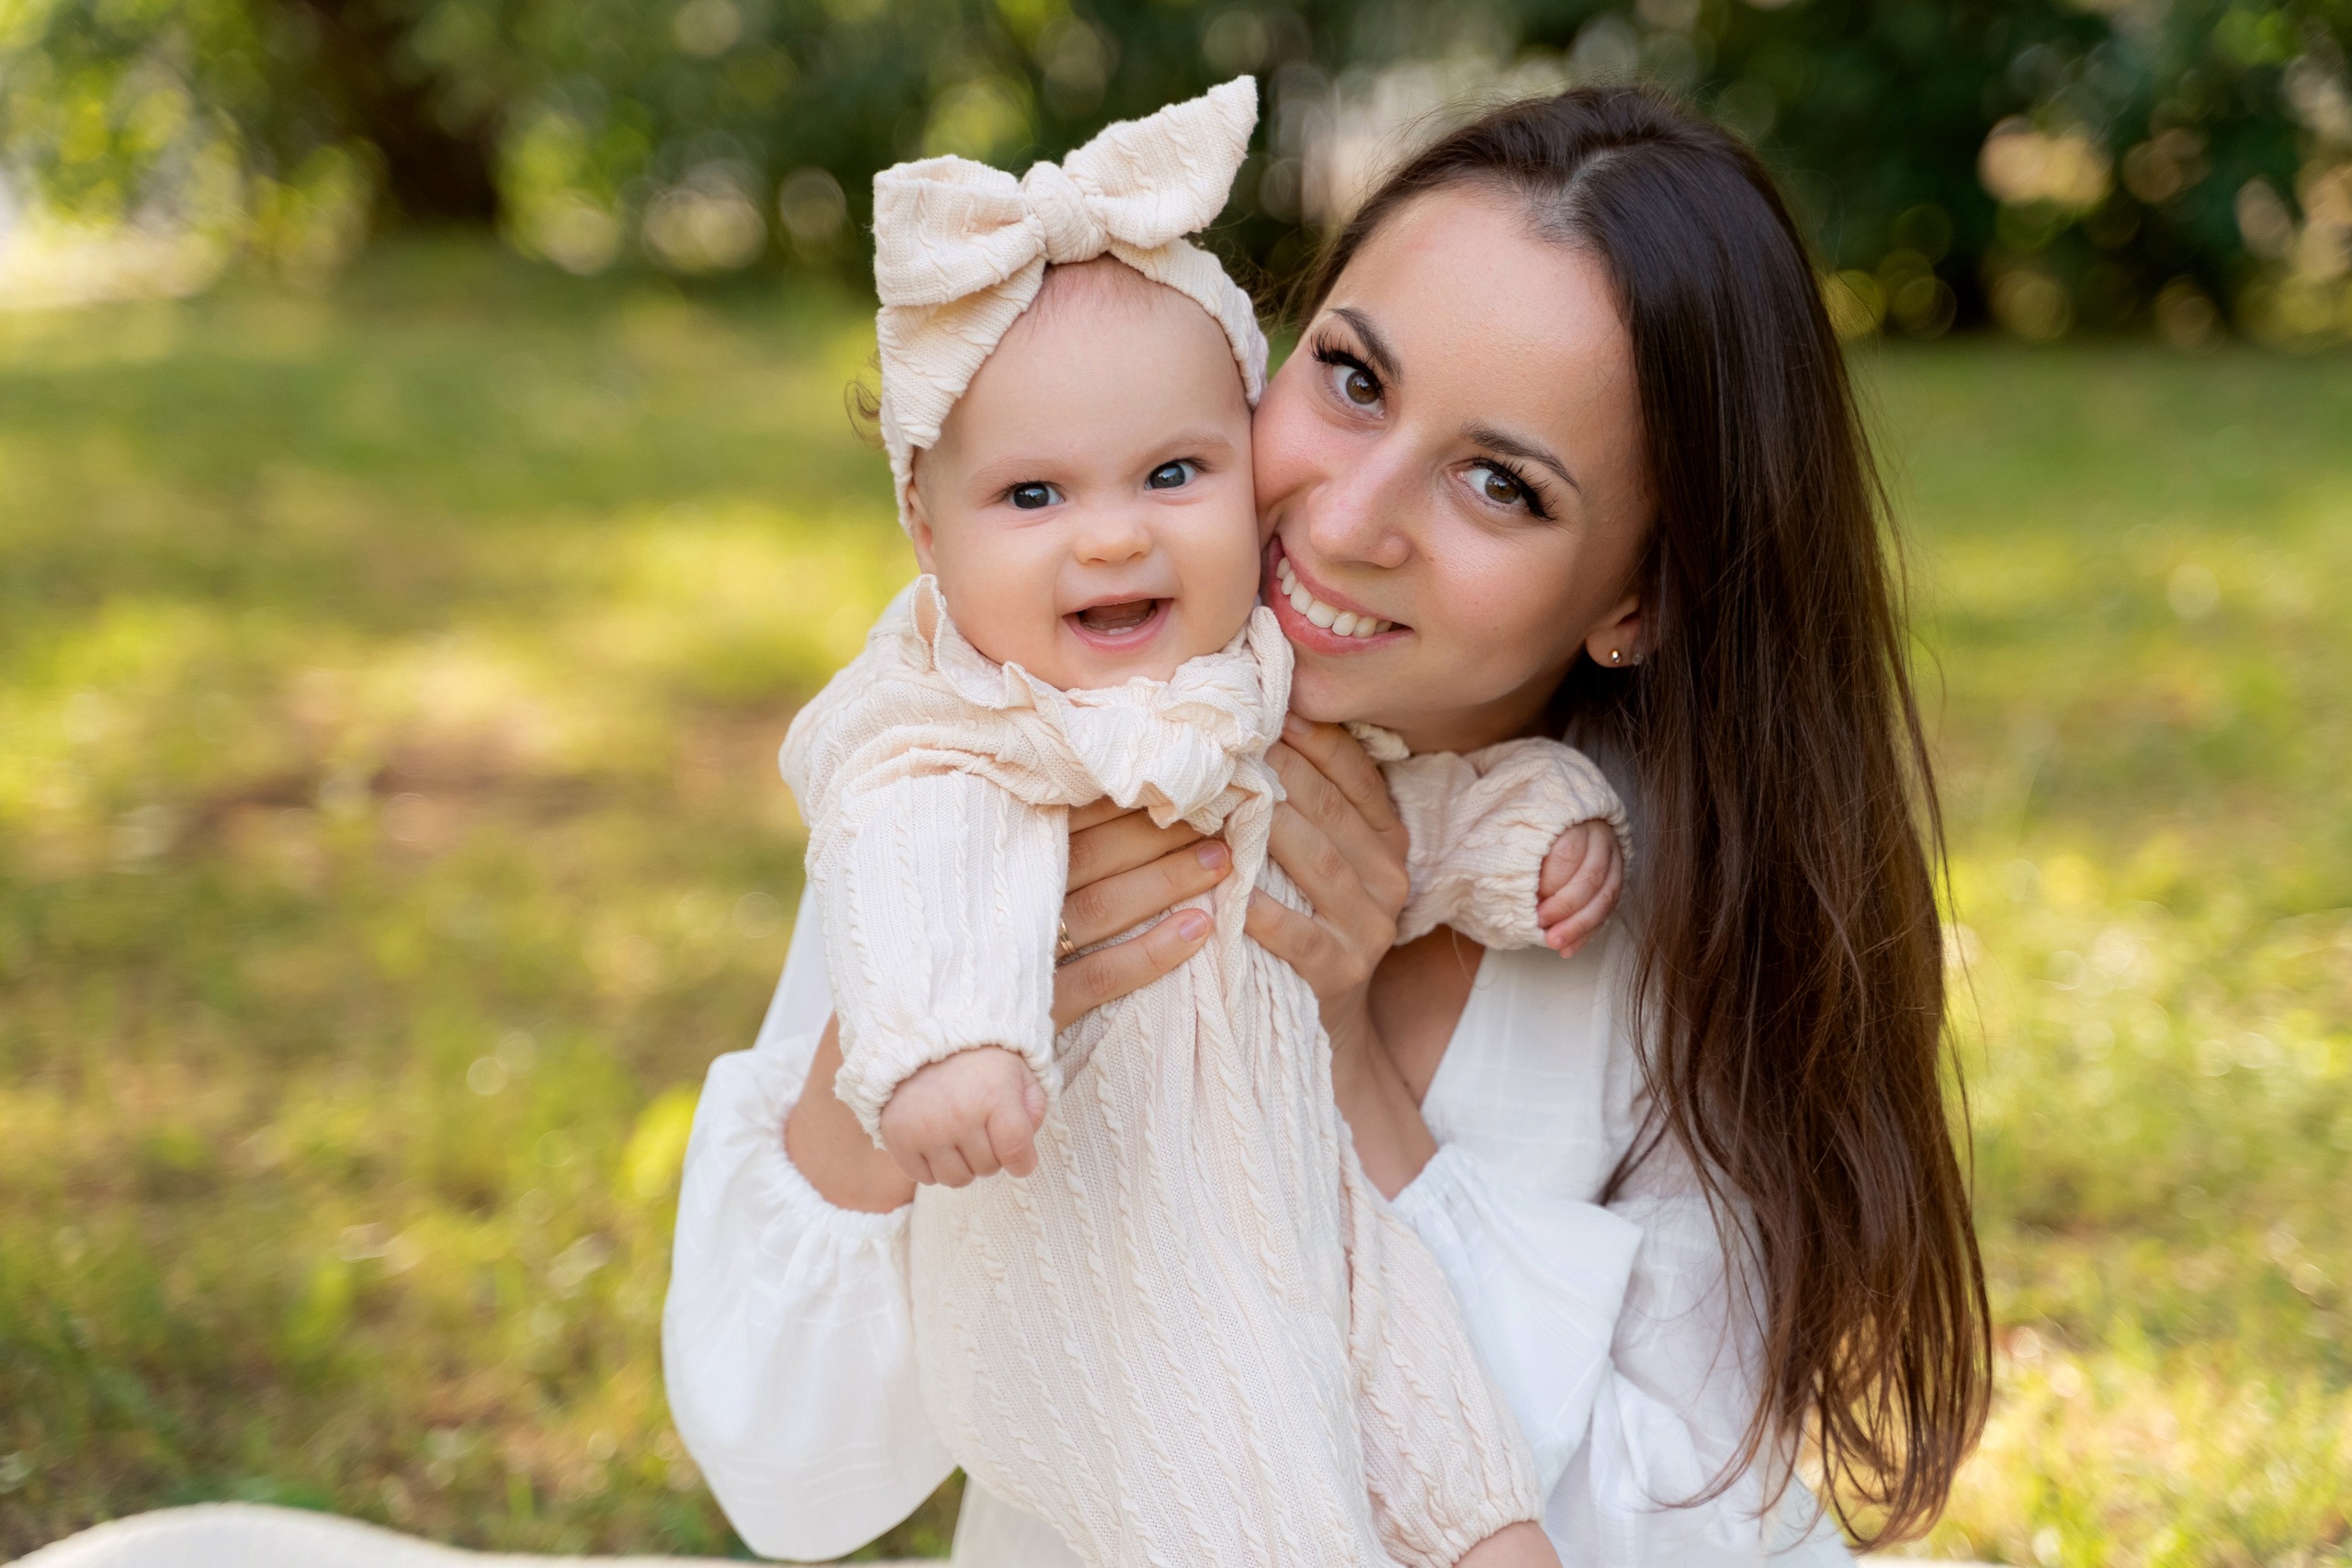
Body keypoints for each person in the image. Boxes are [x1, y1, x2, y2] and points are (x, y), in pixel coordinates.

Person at [664, 84, 1991, 1566]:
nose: (1349, 519)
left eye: (1501, 484)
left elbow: (1711, 1530)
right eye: (1353, 380)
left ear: (1641, 595)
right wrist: (934, 1013)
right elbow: (786, 1483)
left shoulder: (1665, 906)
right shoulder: (1009, 730)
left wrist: (1349, 1071)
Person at [773, 77, 1626, 1568]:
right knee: (1244, 1467)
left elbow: (1401, 820)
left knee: (1452, 1445)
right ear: (926, 522)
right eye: (1353, 380)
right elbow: (913, 852)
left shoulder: (1244, 683)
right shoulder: (972, 719)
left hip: (1305, 1212)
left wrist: (1532, 834)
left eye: (1170, 474)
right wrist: (940, 1041)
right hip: (1120, 1282)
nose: (1111, 534)